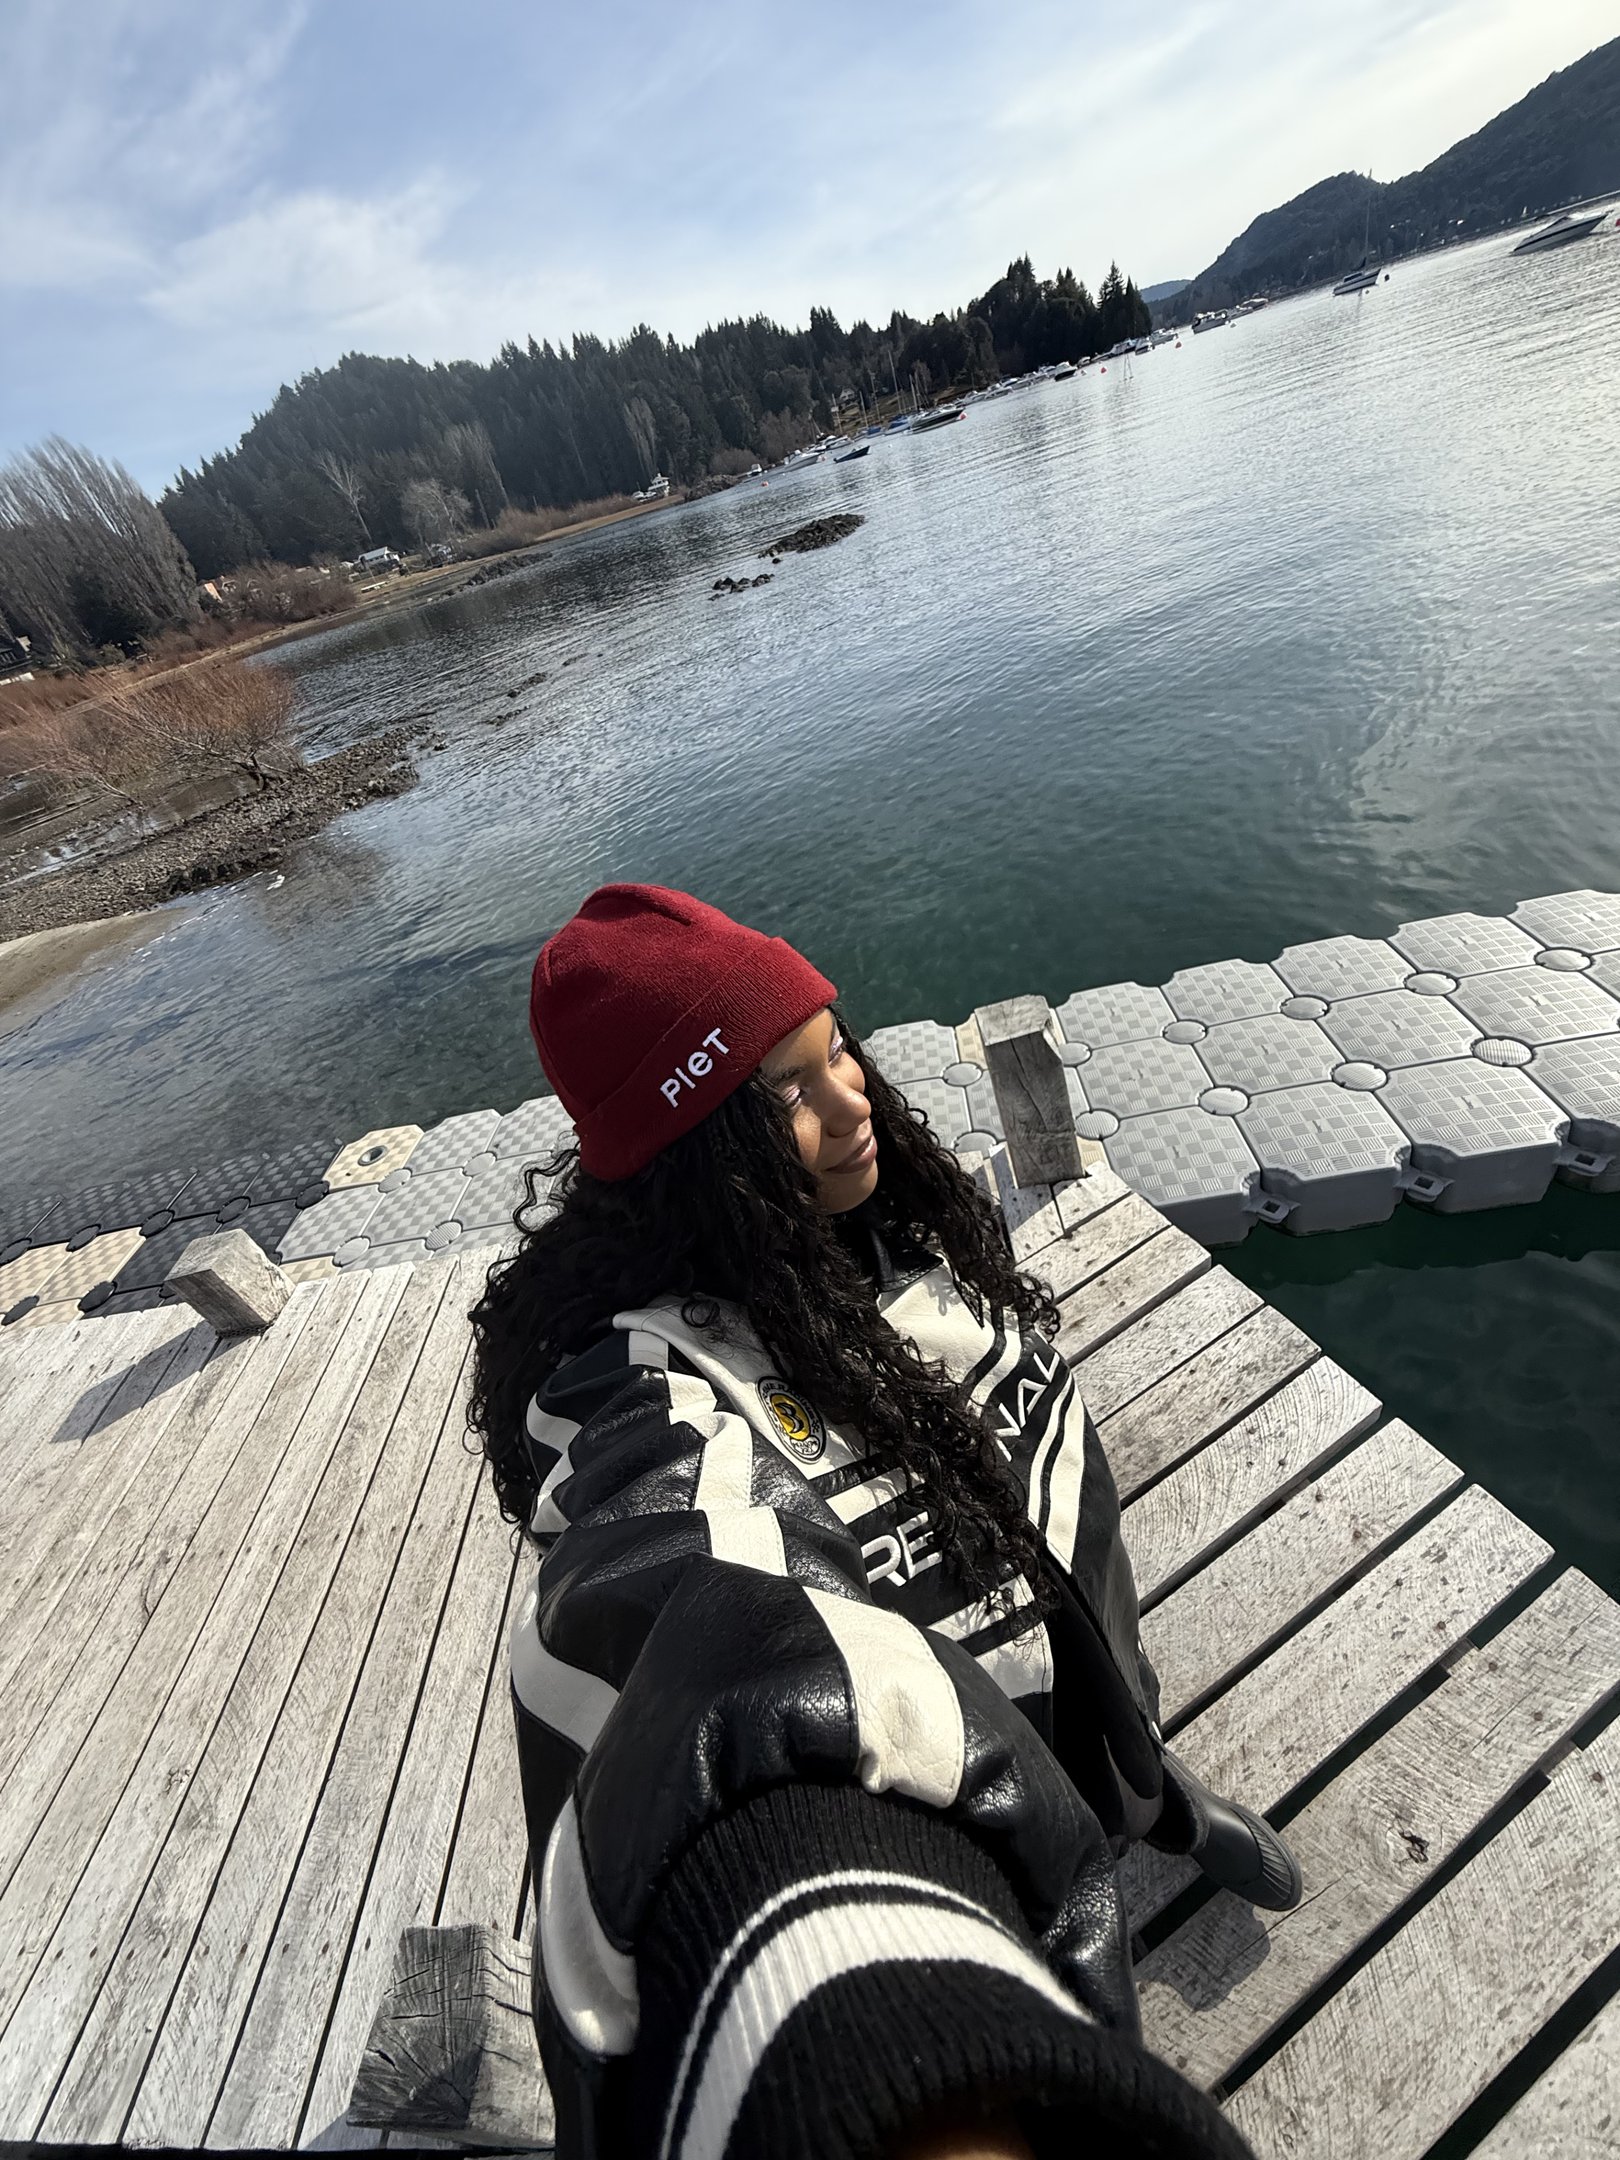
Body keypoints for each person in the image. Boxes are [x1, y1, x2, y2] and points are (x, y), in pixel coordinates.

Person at [469, 883, 1302, 2160]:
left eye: (834, 1049)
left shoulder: (882, 1229)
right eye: (784, 1098)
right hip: (944, 1789)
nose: (853, 1099)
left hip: (1064, 1659)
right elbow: (687, 1614)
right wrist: (864, 2030)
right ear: (698, 1158)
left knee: (1107, 1714)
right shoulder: (643, 1386)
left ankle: (1143, 1788)